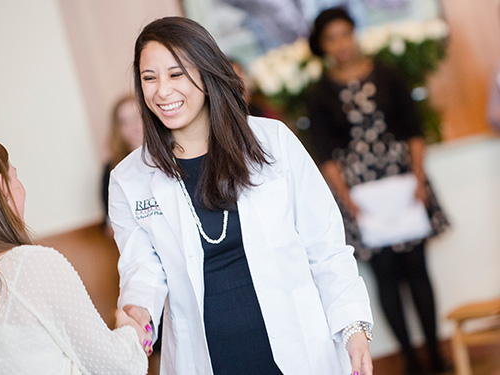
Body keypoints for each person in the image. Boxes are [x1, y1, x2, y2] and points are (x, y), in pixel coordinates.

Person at [108, 16, 374, 375]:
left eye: (176, 74)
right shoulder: (129, 179)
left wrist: (354, 328)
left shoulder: (272, 142)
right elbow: (142, 270)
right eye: (149, 78)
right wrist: (137, 314)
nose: (162, 91)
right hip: (206, 358)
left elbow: (326, 247)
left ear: (206, 71)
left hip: (297, 351)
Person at [0, 134, 149, 375]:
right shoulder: (30, 266)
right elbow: (115, 367)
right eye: (15, 175)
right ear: (3, 187)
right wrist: (133, 335)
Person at [306, 7, 450, 375]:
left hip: (403, 183)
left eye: (345, 34)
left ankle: (435, 354)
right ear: (322, 46)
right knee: (384, 275)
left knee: (418, 269)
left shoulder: (388, 75)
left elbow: (413, 131)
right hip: (359, 195)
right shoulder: (319, 93)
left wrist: (418, 180)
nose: (341, 44)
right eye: (331, 38)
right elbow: (325, 154)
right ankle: (410, 358)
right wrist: (346, 199)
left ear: (355, 34)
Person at [101, 95, 144, 229]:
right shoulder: (113, 169)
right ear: (118, 130)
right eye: (125, 121)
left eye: (137, 117)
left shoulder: (175, 152)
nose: (133, 125)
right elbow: (110, 222)